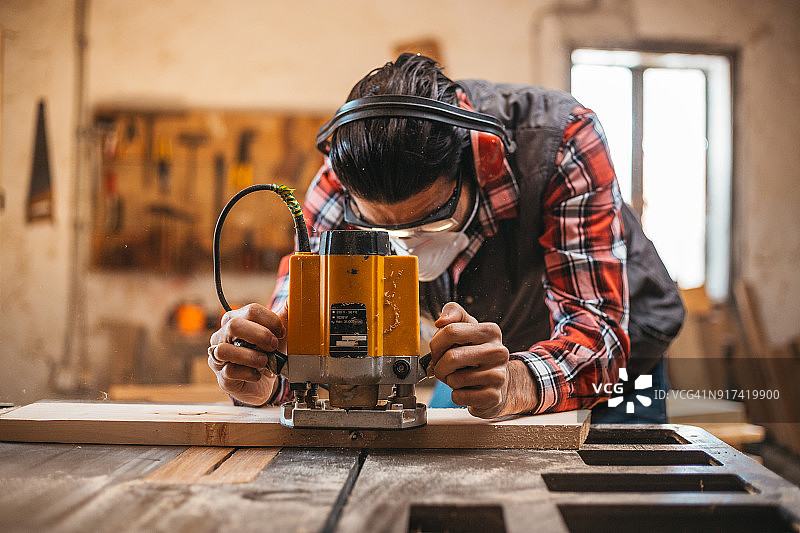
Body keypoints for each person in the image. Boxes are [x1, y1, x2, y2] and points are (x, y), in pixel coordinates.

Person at [208, 53, 684, 422]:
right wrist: (263, 376)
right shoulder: (341, 181)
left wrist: (517, 382)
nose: (407, 245)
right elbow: (303, 333)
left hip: (613, 355)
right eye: (383, 231)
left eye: (429, 224)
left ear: (477, 166)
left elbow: (595, 333)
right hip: (479, 358)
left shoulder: (562, 142)